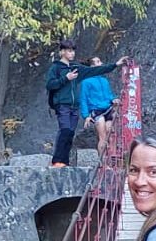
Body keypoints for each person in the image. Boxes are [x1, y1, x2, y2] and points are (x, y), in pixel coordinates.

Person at [45, 39, 127, 168]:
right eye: (69, 51)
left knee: (70, 132)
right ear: (62, 52)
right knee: (65, 130)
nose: (72, 54)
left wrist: (116, 64)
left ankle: (64, 162)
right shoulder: (56, 68)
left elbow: (96, 70)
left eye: (73, 51)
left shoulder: (76, 68)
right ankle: (57, 161)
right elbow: (50, 85)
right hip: (62, 104)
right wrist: (65, 78)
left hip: (74, 106)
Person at [79, 56, 117, 155]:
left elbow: (109, 95)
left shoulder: (104, 80)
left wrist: (113, 100)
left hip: (108, 109)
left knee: (111, 134)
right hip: (96, 111)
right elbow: (83, 99)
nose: (101, 63)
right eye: (98, 62)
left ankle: (112, 160)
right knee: (103, 136)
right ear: (92, 66)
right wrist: (86, 116)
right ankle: (103, 163)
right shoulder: (86, 82)